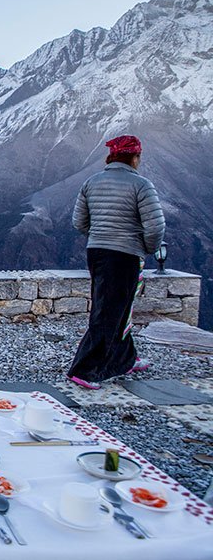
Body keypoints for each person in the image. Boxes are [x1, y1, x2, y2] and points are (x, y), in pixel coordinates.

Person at [67, 135, 165, 389]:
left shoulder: (92, 182)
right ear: (134, 157)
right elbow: (155, 226)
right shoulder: (141, 185)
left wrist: (99, 234)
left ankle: (125, 359)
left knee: (119, 307)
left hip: (97, 251)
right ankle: (85, 369)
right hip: (125, 254)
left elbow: (79, 222)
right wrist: (146, 248)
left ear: (110, 158)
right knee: (109, 311)